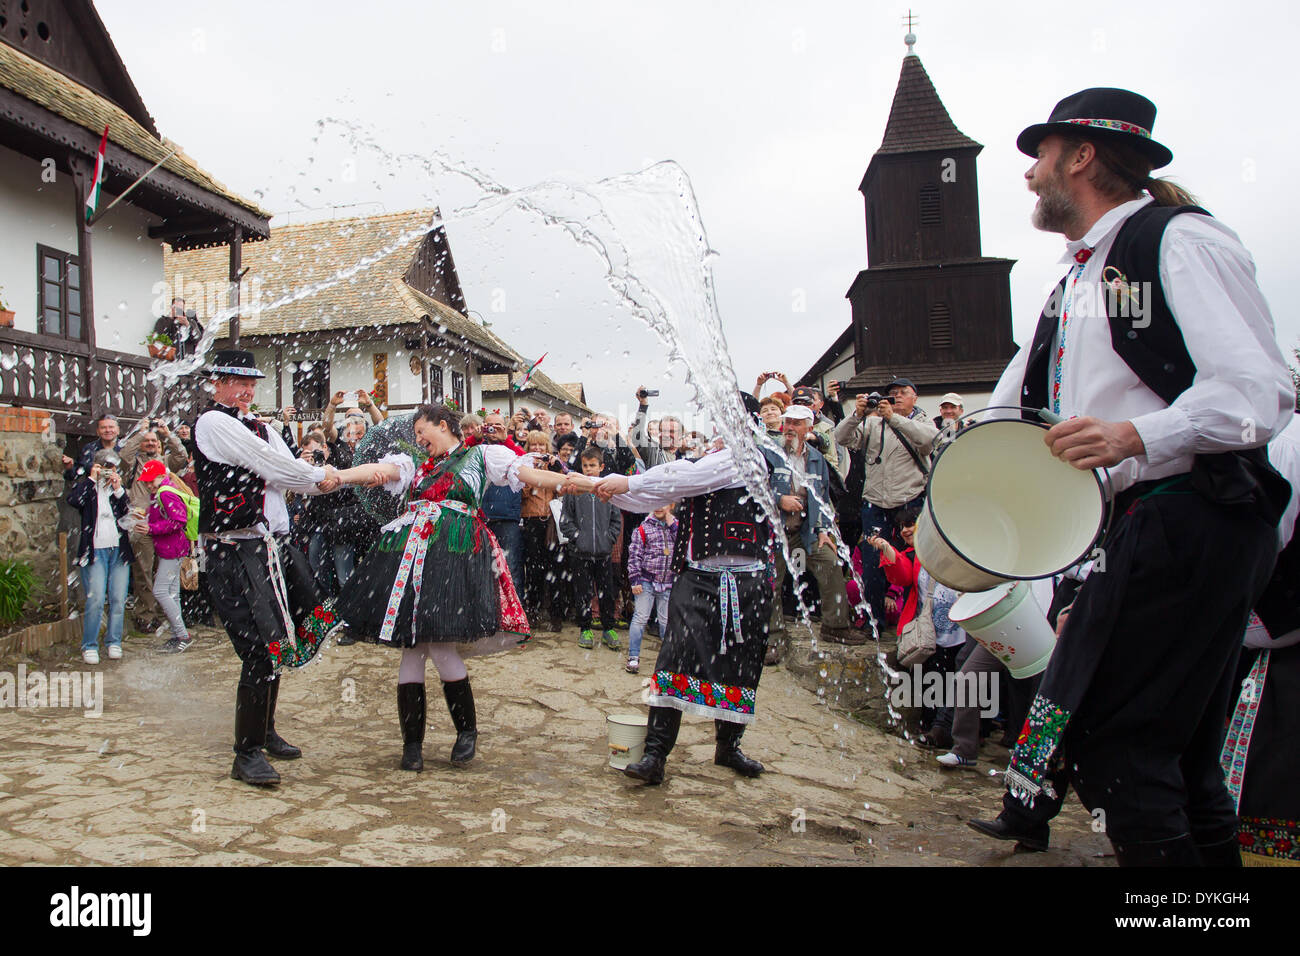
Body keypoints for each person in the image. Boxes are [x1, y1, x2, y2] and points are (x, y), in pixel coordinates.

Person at [964, 88, 1293, 867]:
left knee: (1118, 744)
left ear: (1080, 156)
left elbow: (1259, 393)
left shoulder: (1177, 240)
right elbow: (1009, 413)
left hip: (1192, 511)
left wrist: (1136, 434)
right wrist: (956, 503)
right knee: (1172, 756)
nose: (1028, 175)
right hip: (1134, 526)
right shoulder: (1072, 283)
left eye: (1038, 155)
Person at [327, 403, 572, 772]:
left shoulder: (482, 454)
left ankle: (466, 732)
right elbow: (382, 469)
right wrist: (341, 475)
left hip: (454, 553)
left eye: (422, 431)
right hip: (411, 555)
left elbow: (528, 474)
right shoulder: (414, 465)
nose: (418, 439)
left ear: (443, 425)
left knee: (440, 645)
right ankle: (412, 745)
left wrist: (578, 483)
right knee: (411, 647)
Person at [578, 395, 777, 784]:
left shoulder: (746, 456)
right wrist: (603, 486)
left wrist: (621, 481)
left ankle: (728, 747)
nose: (719, 425)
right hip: (698, 576)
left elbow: (682, 479)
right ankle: (655, 756)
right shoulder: (708, 459)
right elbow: (656, 494)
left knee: (739, 663)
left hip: (747, 579)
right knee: (673, 659)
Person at [194, 350, 339, 788]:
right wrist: (323, 477)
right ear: (216, 383)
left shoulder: (261, 427)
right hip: (231, 551)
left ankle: (265, 730)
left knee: (280, 643)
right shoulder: (213, 423)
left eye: (252, 383)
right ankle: (246, 753)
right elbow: (275, 467)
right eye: (238, 382)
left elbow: (288, 474)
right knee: (259, 648)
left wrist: (323, 478)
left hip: (270, 549)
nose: (248, 390)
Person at [833, 378, 938, 625]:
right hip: (875, 502)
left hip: (910, 500)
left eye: (903, 393)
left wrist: (894, 418)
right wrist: (856, 415)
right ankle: (874, 620)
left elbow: (928, 441)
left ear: (915, 398)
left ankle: (917, 618)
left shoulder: (921, 421)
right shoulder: (872, 423)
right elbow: (841, 437)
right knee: (873, 561)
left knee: (915, 558)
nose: (897, 396)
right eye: (892, 393)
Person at [768, 404, 865, 664]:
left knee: (830, 563)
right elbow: (753, 489)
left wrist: (823, 529)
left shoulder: (816, 458)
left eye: (796, 423)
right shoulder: (768, 453)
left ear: (809, 429)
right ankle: (773, 639)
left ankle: (835, 625)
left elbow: (821, 497)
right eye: (787, 422)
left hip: (805, 531)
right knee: (770, 582)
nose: (789, 428)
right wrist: (780, 499)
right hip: (773, 533)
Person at [67, 449, 134, 664]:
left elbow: (128, 513)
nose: (106, 472)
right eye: (102, 467)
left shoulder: (117, 491)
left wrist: (118, 489)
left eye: (110, 468)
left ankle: (114, 641)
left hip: (118, 551)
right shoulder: (88, 488)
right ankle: (89, 644)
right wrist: (91, 479)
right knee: (95, 599)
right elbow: (74, 500)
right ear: (95, 467)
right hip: (95, 551)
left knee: (118, 599)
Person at [121, 422, 189, 633]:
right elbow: (123, 456)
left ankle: (167, 615)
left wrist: (168, 434)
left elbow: (181, 456)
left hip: (164, 528)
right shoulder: (134, 463)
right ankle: (146, 615)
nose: (150, 444)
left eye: (154, 441)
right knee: (144, 571)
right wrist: (140, 432)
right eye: (146, 441)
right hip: (142, 525)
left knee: (165, 576)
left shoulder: (164, 463)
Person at [561, 446, 623, 651]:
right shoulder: (575, 491)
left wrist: (609, 538)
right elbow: (565, 520)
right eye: (585, 466)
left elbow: (616, 520)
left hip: (604, 553)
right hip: (580, 553)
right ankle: (585, 628)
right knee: (583, 592)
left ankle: (608, 628)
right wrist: (578, 538)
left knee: (607, 592)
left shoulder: (608, 491)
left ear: (601, 467)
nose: (588, 470)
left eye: (592, 466)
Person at [138, 459, 194, 653]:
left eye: (150, 480)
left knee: (160, 591)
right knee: (172, 594)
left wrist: (150, 528)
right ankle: (179, 635)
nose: (148, 485)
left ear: (161, 476)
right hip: (172, 548)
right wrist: (145, 517)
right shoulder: (164, 491)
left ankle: (183, 635)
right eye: (146, 481)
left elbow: (179, 520)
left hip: (172, 549)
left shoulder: (166, 492)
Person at [520, 430, 567, 630]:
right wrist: (533, 474)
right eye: (533, 446)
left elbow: (563, 489)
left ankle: (557, 615)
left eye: (541, 446)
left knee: (555, 568)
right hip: (531, 521)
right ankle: (533, 611)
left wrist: (553, 470)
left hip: (551, 522)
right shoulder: (523, 467)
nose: (537, 449)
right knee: (534, 569)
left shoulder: (553, 467)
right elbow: (522, 493)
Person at [625, 503, 678, 674]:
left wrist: (672, 523)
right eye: (655, 503)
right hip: (646, 580)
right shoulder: (644, 528)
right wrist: (635, 580)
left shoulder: (676, 527)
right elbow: (634, 555)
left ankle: (669, 659)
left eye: (663, 503)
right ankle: (633, 656)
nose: (659, 507)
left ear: (671, 505)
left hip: (668, 582)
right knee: (640, 617)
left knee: (666, 621)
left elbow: (685, 547)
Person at [480, 412, 526, 592]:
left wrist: (504, 439)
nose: (492, 429)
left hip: (508, 517)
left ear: (505, 428)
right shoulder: (478, 449)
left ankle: (516, 615)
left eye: (497, 425)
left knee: (511, 566)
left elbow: (525, 461)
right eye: (489, 425)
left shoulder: (511, 448)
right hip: (483, 516)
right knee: (484, 567)